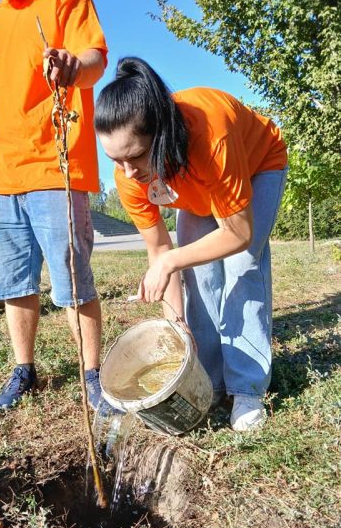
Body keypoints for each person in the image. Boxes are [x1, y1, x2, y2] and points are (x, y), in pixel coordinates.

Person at [95, 57, 288, 432]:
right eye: (115, 160)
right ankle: (210, 380)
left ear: (162, 131)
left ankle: (246, 388)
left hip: (256, 164)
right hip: (192, 187)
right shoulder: (129, 176)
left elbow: (237, 234)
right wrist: (176, 324)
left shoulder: (211, 132)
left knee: (243, 265)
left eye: (135, 155)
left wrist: (170, 263)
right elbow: (158, 250)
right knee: (199, 275)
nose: (128, 172)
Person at [0, 0, 110, 411]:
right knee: (14, 284)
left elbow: (95, 58)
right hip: (2, 175)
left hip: (57, 167)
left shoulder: (66, 1)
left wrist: (74, 67)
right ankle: (24, 370)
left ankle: (92, 374)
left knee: (74, 280)